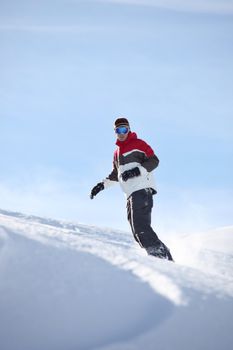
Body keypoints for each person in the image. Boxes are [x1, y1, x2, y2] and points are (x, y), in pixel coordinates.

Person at [90, 117, 173, 261]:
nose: (122, 133)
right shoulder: (117, 153)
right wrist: (101, 186)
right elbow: (116, 175)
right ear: (115, 132)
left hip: (142, 190)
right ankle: (163, 255)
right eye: (118, 130)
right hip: (130, 194)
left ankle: (160, 257)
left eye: (124, 129)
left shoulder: (139, 144)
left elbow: (154, 161)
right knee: (137, 231)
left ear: (129, 130)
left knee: (141, 228)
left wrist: (137, 171)